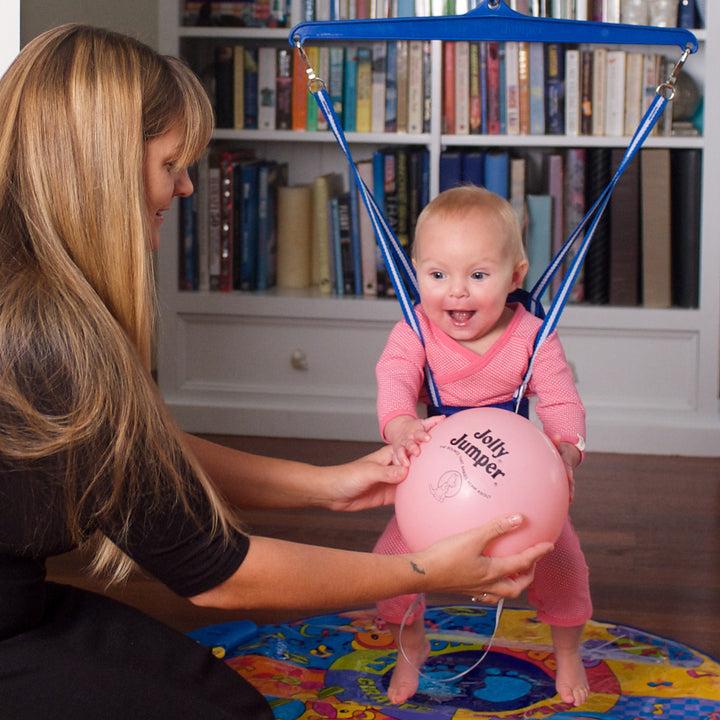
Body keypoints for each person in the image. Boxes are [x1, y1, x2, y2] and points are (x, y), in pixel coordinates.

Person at [0, 25, 554, 719]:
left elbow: (133, 451)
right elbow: (217, 575)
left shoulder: (32, 298)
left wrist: (328, 487)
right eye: (172, 161)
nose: (184, 186)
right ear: (100, 165)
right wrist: (424, 572)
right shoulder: (50, 338)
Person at [374, 186, 592, 708]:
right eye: (438, 274)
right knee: (389, 568)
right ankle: (411, 644)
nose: (457, 293)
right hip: (438, 483)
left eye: (477, 275)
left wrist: (566, 451)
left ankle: (568, 651)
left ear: (515, 276)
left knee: (564, 567)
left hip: (520, 486)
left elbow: (562, 399)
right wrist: (401, 425)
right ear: (416, 275)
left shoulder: (533, 336)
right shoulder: (415, 331)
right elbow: (394, 380)